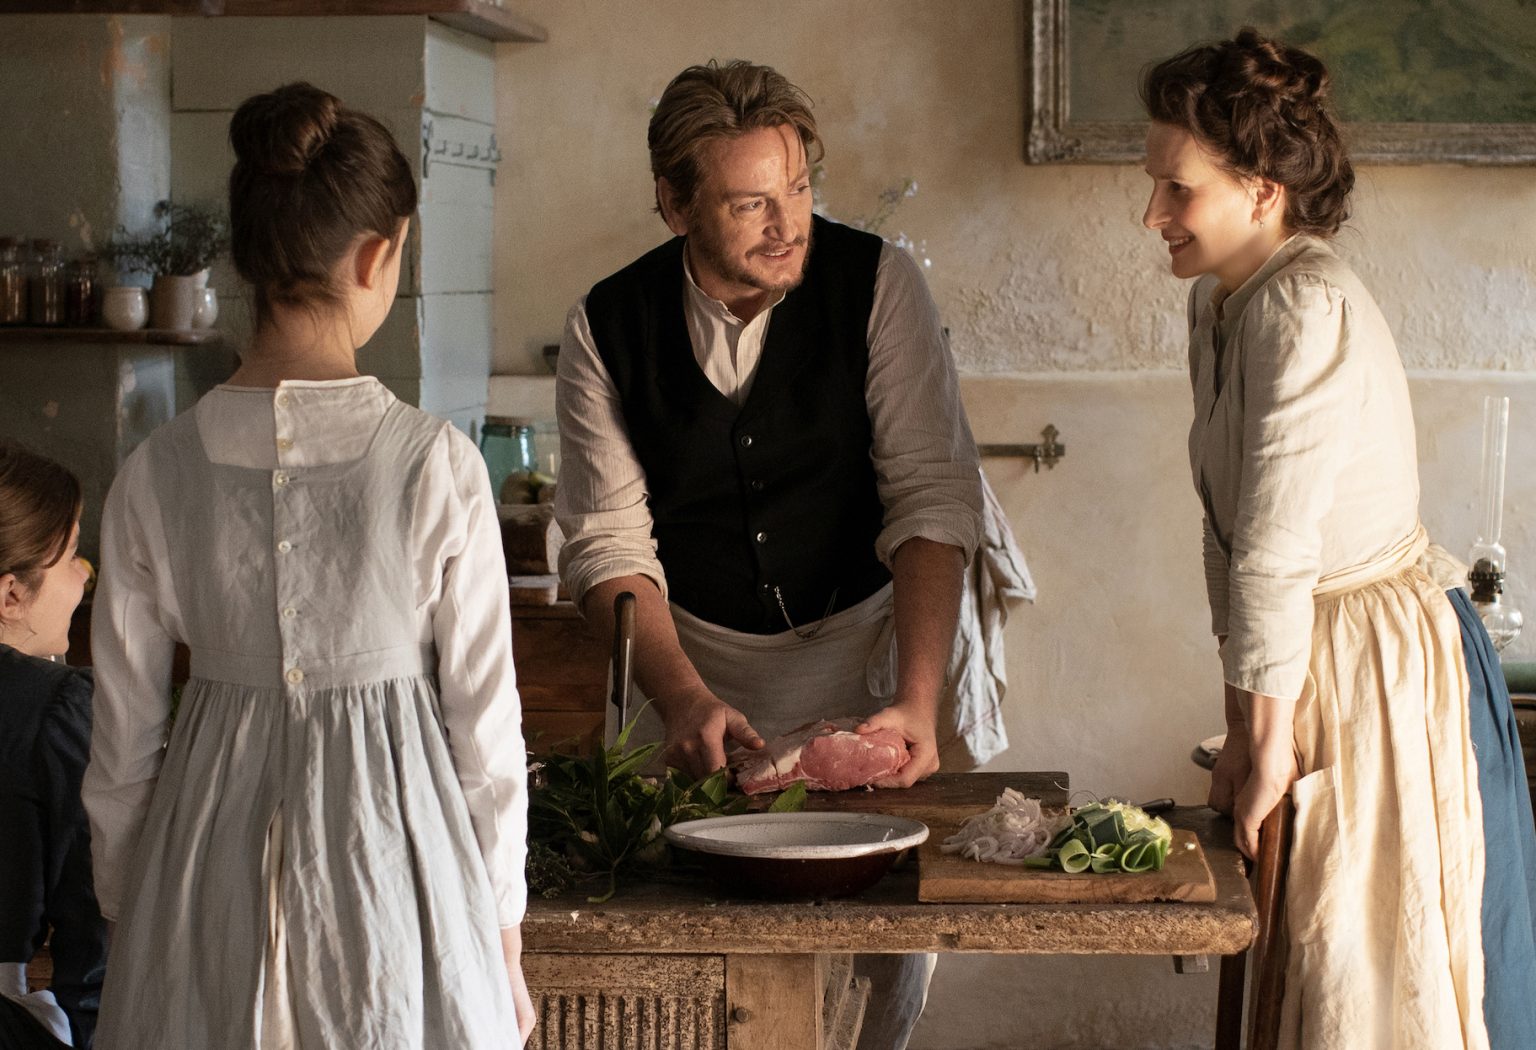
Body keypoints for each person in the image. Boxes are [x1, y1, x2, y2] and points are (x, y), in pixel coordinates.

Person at [82, 82, 534, 1049]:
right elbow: (486, 740)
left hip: (202, 873)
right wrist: (500, 941)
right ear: (378, 256)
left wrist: (131, 918)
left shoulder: (155, 470)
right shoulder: (435, 466)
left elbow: (121, 746)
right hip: (395, 872)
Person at [553, 60, 981, 1050]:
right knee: (677, 963)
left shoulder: (877, 286)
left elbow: (930, 498)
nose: (789, 225)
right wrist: (681, 698)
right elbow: (607, 544)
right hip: (688, 666)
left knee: (872, 962)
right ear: (675, 205)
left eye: (799, 188)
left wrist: (916, 700)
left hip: (863, 661)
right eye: (750, 203)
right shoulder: (607, 325)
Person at [1141, 29, 1536, 1049]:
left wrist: (1267, 743)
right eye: (1154, 186)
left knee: (1365, 973)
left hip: (1378, 665)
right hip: (1305, 656)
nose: (1153, 215)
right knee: (1313, 965)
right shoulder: (1220, 305)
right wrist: (1243, 724)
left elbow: (1277, 550)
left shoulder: (1305, 306)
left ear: (1262, 191)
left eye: (1178, 189)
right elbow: (1228, 537)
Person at [0, 444, 106, 1050]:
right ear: (12, 595)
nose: (85, 574)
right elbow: (90, 921)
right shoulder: (54, 703)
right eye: (70, 556)